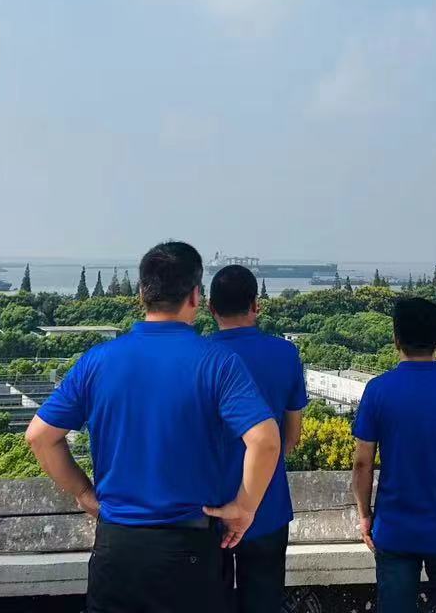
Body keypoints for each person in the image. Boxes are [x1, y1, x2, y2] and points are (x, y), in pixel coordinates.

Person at [25, 241, 281, 613]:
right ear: (195, 296)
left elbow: (40, 436)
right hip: (189, 549)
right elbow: (266, 441)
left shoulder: (98, 360)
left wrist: (83, 492)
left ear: (143, 293)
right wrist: (244, 507)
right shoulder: (218, 362)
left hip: (117, 547)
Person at [351, 296, 436, 613]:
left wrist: (364, 515)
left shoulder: (378, 390)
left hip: (395, 527)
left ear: (396, 338)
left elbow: (362, 463)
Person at [206, 264, 308, 613]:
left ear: (210, 308)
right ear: (256, 305)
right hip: (268, 504)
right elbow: (291, 436)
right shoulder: (285, 354)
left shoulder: (198, 356)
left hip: (207, 508)